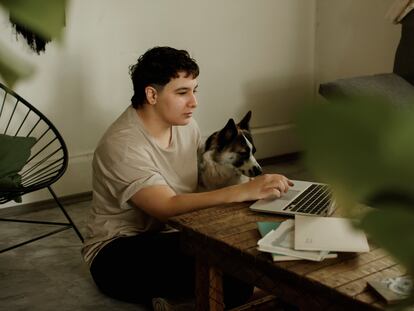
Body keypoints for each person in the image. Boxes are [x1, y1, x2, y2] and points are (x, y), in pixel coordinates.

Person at [81, 46, 293, 309]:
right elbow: (166, 207)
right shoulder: (122, 145)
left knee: (260, 243)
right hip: (118, 251)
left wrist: (253, 187)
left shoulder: (186, 125)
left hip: (175, 232)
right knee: (234, 275)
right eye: (182, 92)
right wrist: (245, 191)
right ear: (151, 94)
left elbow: (201, 186)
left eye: (194, 90)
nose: (194, 102)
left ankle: (175, 298)